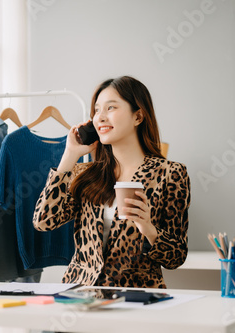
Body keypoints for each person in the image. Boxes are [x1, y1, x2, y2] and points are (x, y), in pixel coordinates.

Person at [32, 76, 191, 288]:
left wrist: (148, 228)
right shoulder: (85, 174)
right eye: (97, 110)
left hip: (135, 298)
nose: (100, 118)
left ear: (138, 116)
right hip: (80, 296)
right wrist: (69, 156)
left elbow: (176, 257)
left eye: (111, 108)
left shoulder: (171, 174)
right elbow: (43, 220)